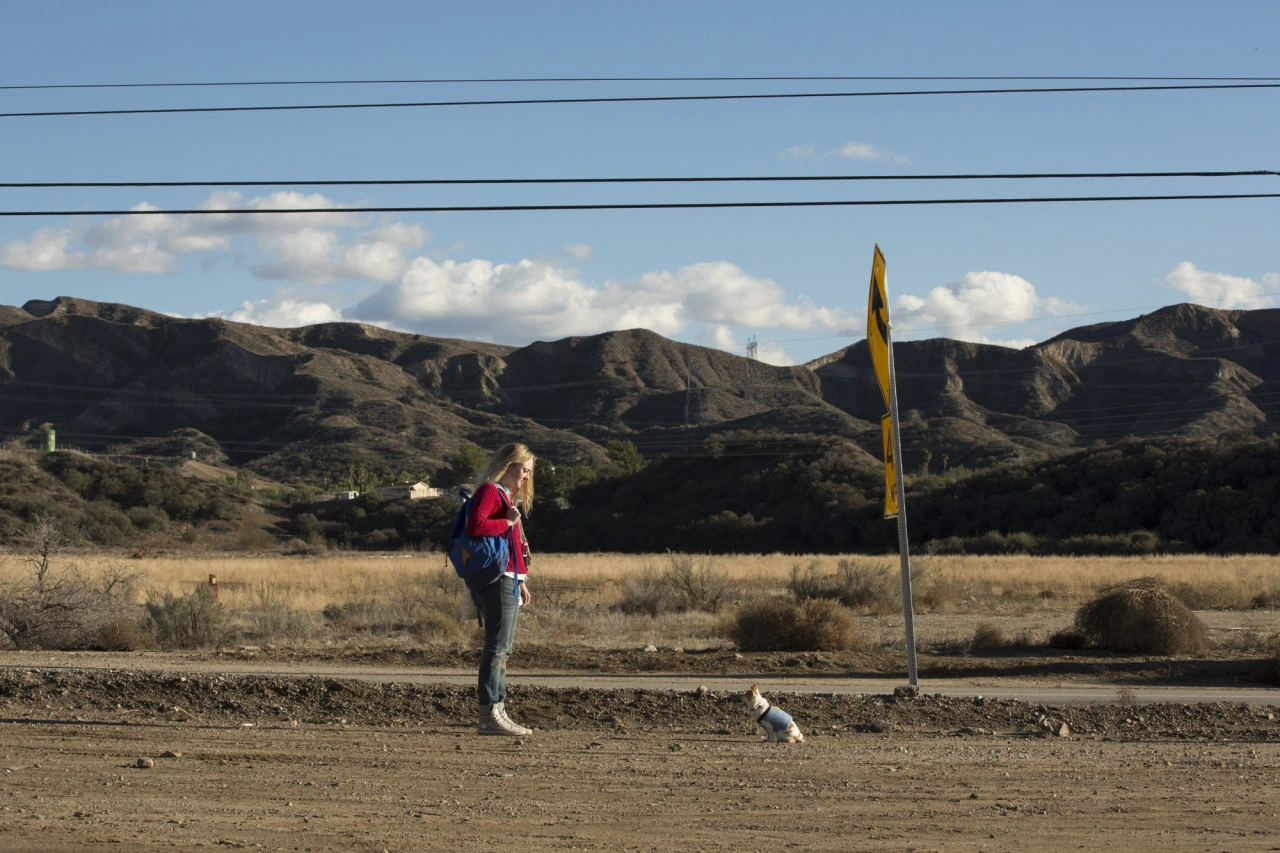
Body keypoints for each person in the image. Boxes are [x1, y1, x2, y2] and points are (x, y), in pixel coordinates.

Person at [466, 442, 535, 736]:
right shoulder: (489, 491)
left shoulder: (504, 495)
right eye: (524, 470)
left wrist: (521, 581)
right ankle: (489, 715)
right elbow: (475, 526)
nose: (526, 477)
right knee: (496, 647)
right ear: (509, 465)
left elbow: (512, 545)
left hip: (509, 578)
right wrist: (507, 521)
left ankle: (498, 711)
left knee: (502, 649)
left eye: (529, 472)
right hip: (497, 579)